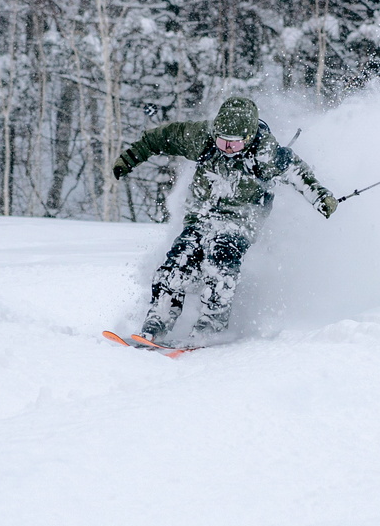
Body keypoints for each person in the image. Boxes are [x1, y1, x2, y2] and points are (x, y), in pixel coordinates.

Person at [112, 96, 338, 343]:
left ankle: (211, 325)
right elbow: (158, 138)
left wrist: (321, 198)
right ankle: (158, 319)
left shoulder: (267, 152)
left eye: (235, 144)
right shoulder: (201, 137)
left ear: (249, 138)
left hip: (240, 222)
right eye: (223, 141)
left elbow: (299, 173)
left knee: (221, 264)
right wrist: (130, 158)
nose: (227, 148)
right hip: (201, 217)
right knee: (176, 264)